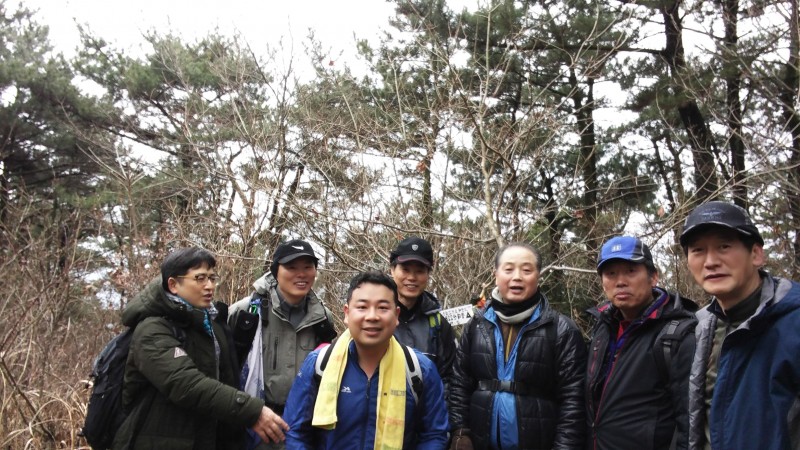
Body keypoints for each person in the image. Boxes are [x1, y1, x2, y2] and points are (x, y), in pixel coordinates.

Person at [113, 247, 288, 450]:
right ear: (173, 284)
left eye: (212, 278)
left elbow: (227, 381)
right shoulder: (152, 329)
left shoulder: (213, 324)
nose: (209, 286)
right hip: (156, 439)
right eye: (200, 278)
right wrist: (252, 411)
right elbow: (185, 384)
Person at [283, 271, 449, 449]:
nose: (372, 316)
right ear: (347, 313)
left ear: (396, 315)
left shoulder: (419, 370)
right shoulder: (320, 364)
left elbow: (434, 435)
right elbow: (295, 432)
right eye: (362, 307)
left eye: (383, 308)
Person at [681, 201, 800, 450]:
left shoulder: (793, 321)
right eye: (698, 250)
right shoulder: (701, 327)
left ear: (756, 254)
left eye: (724, 246)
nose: (710, 261)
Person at [449, 243, 586, 450]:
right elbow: (460, 383)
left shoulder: (561, 329)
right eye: (509, 269)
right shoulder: (477, 325)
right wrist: (460, 432)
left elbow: (573, 399)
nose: (517, 277)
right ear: (496, 275)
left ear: (538, 276)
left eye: (527, 270)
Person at [586, 236, 697, 450]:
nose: (620, 281)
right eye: (611, 274)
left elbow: (690, 422)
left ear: (653, 277)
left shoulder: (676, 335)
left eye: (630, 271)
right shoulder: (602, 327)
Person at [229, 239, 336, 449]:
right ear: (275, 271)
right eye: (291, 267)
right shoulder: (246, 312)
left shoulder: (323, 319)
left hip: (304, 428)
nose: (301, 274)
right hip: (253, 426)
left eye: (308, 267)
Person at [388, 237, 456, 398]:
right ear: (392, 270)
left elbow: (449, 377)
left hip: (428, 411)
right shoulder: (377, 317)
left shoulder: (438, 324)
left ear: (428, 274)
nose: (412, 277)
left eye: (419, 271)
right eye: (405, 270)